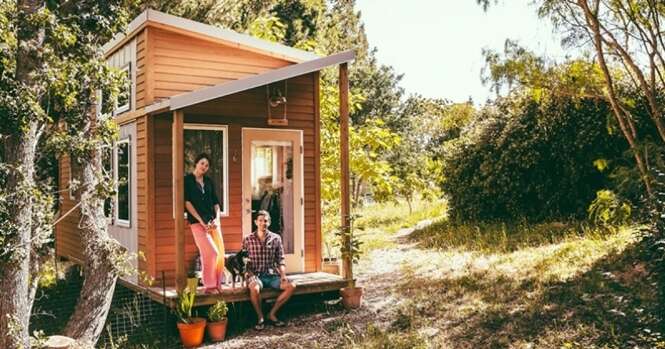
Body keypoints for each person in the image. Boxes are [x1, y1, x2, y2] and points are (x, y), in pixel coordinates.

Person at [243, 210, 296, 330]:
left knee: (291, 286)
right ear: (256, 222)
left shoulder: (276, 238)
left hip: (272, 275)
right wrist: (249, 274)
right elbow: (244, 261)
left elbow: (280, 260)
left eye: (265, 221)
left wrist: (283, 276)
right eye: (260, 221)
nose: (263, 223)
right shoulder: (248, 239)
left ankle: (272, 314)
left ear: (269, 222)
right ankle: (260, 317)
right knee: (255, 288)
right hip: (255, 275)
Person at [184, 153, 225, 293]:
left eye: (207, 165)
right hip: (197, 223)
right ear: (196, 163)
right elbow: (187, 203)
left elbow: (216, 203)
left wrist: (217, 220)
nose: (204, 167)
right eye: (202, 163)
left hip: (212, 223)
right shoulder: (187, 181)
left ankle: (217, 284)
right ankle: (210, 286)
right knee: (211, 252)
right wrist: (201, 221)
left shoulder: (209, 182)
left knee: (219, 254)